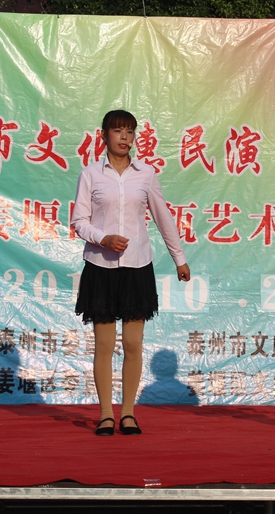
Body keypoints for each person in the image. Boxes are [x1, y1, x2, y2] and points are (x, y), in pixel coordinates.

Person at [71, 109, 190, 436]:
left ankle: (128, 413)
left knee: (133, 344)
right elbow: (79, 221)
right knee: (104, 345)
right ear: (104, 136)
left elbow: (163, 217)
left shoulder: (146, 174)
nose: (124, 138)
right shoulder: (90, 174)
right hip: (101, 267)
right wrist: (103, 238)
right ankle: (105, 415)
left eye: (129, 132)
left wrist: (179, 259)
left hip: (137, 267)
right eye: (117, 131)